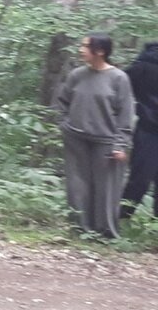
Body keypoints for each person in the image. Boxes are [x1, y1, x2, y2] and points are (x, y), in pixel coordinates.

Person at [53, 34, 134, 239]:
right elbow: (63, 102)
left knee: (107, 190)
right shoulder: (77, 75)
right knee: (77, 185)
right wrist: (65, 124)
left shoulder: (118, 78)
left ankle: (105, 234)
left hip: (106, 142)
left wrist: (121, 144)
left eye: (85, 46)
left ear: (100, 51)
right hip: (76, 139)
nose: (81, 49)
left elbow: (125, 114)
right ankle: (80, 230)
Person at [121, 41, 158, 220]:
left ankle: (119, 220)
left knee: (139, 178)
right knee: (140, 178)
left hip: (147, 128)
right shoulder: (142, 66)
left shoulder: (140, 65)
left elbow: (121, 85)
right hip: (148, 129)